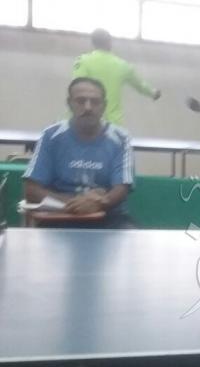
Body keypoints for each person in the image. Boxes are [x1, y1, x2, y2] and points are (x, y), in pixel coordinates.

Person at [23, 78, 135, 229]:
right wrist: (79, 203)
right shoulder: (51, 135)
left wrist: (99, 203)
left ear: (104, 105)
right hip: (59, 217)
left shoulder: (121, 137)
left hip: (108, 217)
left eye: (95, 102)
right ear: (69, 103)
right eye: (81, 101)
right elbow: (31, 190)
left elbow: (121, 189)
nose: (88, 107)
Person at [73, 28, 161, 125]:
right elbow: (140, 85)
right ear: (110, 42)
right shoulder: (123, 65)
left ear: (93, 43)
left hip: (87, 122)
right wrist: (153, 93)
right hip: (114, 124)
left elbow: (76, 88)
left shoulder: (82, 61)